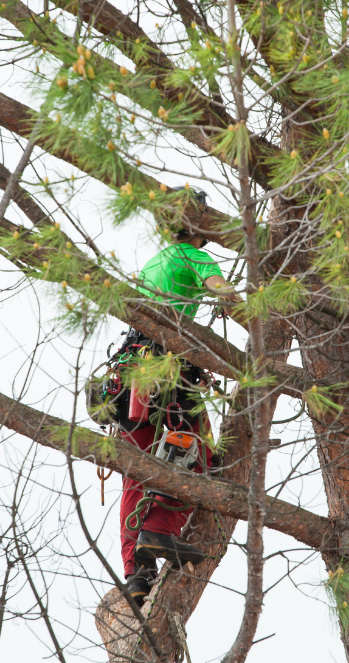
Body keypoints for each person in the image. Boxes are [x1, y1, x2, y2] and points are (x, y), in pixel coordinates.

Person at [115, 188, 241, 607]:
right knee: (198, 453)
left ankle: (137, 573)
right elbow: (225, 293)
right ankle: (159, 531)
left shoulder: (155, 260)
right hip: (168, 369)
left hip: (129, 372)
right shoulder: (194, 255)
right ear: (200, 228)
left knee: (137, 468)